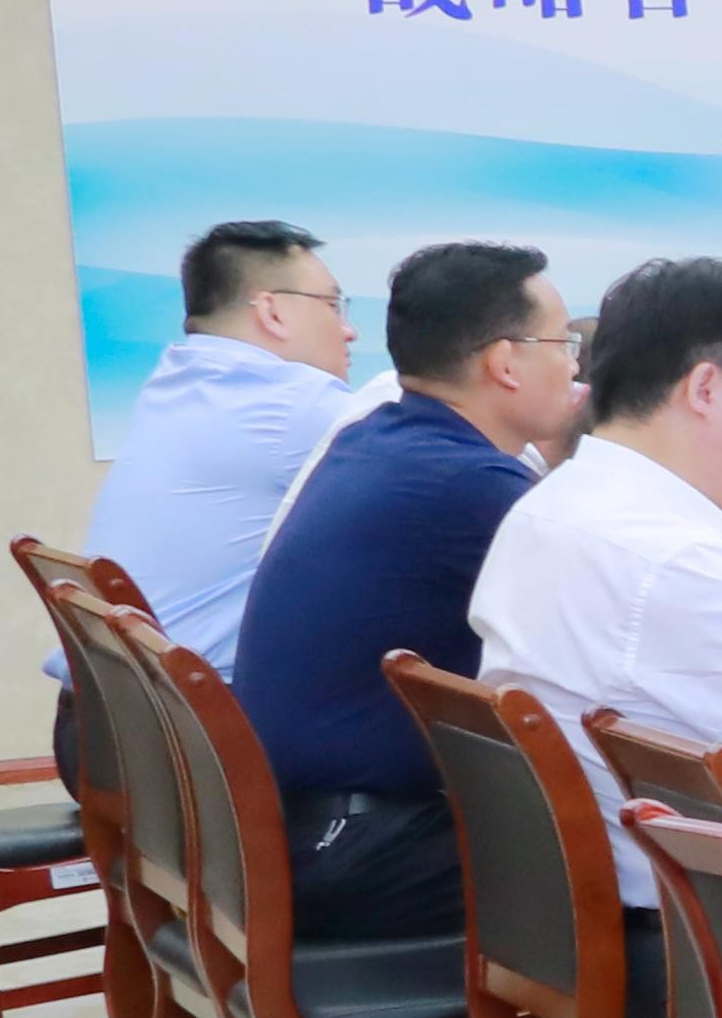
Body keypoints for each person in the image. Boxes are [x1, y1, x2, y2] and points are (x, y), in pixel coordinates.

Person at [223, 243, 575, 947]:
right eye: (563, 344)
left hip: (287, 829)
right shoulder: (472, 486)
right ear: (505, 363)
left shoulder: (377, 438)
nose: (575, 367)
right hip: (358, 850)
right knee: (651, 885)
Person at [470, 254, 722, 898]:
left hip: (599, 899)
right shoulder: (668, 560)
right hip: (705, 928)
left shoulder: (555, 505)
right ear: (707, 389)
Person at [75, 220, 358, 673]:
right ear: (272, 312)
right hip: (196, 707)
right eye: (332, 305)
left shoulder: (175, 379)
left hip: (110, 698)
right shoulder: (293, 402)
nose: (348, 330)